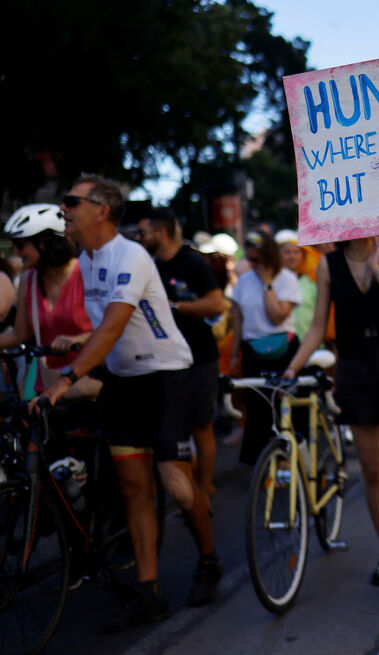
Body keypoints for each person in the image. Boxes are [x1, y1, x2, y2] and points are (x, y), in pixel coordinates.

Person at [31, 175, 220, 629]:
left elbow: (115, 325)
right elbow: (104, 327)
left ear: (102, 209)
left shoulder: (130, 255)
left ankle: (209, 559)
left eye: (71, 201)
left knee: (175, 484)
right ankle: (149, 590)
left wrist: (68, 377)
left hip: (166, 375)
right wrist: (78, 340)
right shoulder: (86, 259)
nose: (64, 210)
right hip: (124, 380)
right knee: (134, 487)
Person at [285, 235, 379, 601]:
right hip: (355, 371)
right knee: (372, 470)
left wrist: (378, 269)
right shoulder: (330, 264)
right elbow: (317, 327)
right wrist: (291, 369)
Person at [137, 208, 225, 499]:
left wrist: (174, 308)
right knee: (177, 430)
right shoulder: (149, 266)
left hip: (199, 356)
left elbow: (216, 305)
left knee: (202, 426)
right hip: (164, 360)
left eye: (143, 232)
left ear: (161, 233)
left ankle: (204, 489)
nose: (138, 238)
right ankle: (190, 491)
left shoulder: (192, 264)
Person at [0, 204, 93, 397]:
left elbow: (112, 327)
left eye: (21, 245)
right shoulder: (29, 280)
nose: (16, 252)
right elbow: (19, 334)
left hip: (90, 383)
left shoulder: (86, 272)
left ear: (44, 243)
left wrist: (79, 339)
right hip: (49, 390)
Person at [231, 228, 302, 464]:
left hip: (282, 349)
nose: (252, 263)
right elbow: (238, 319)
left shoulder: (287, 279)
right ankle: (261, 463)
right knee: (258, 408)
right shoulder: (243, 281)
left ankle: (286, 459)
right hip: (252, 349)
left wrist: (267, 284)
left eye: (256, 258)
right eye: (249, 258)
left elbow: (277, 316)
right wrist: (234, 355)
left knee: (283, 407)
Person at [275, 229, 320, 341]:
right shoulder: (272, 282)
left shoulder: (311, 283)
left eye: (296, 252)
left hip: (308, 344)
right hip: (280, 345)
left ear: (303, 256)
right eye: (287, 252)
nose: (292, 256)